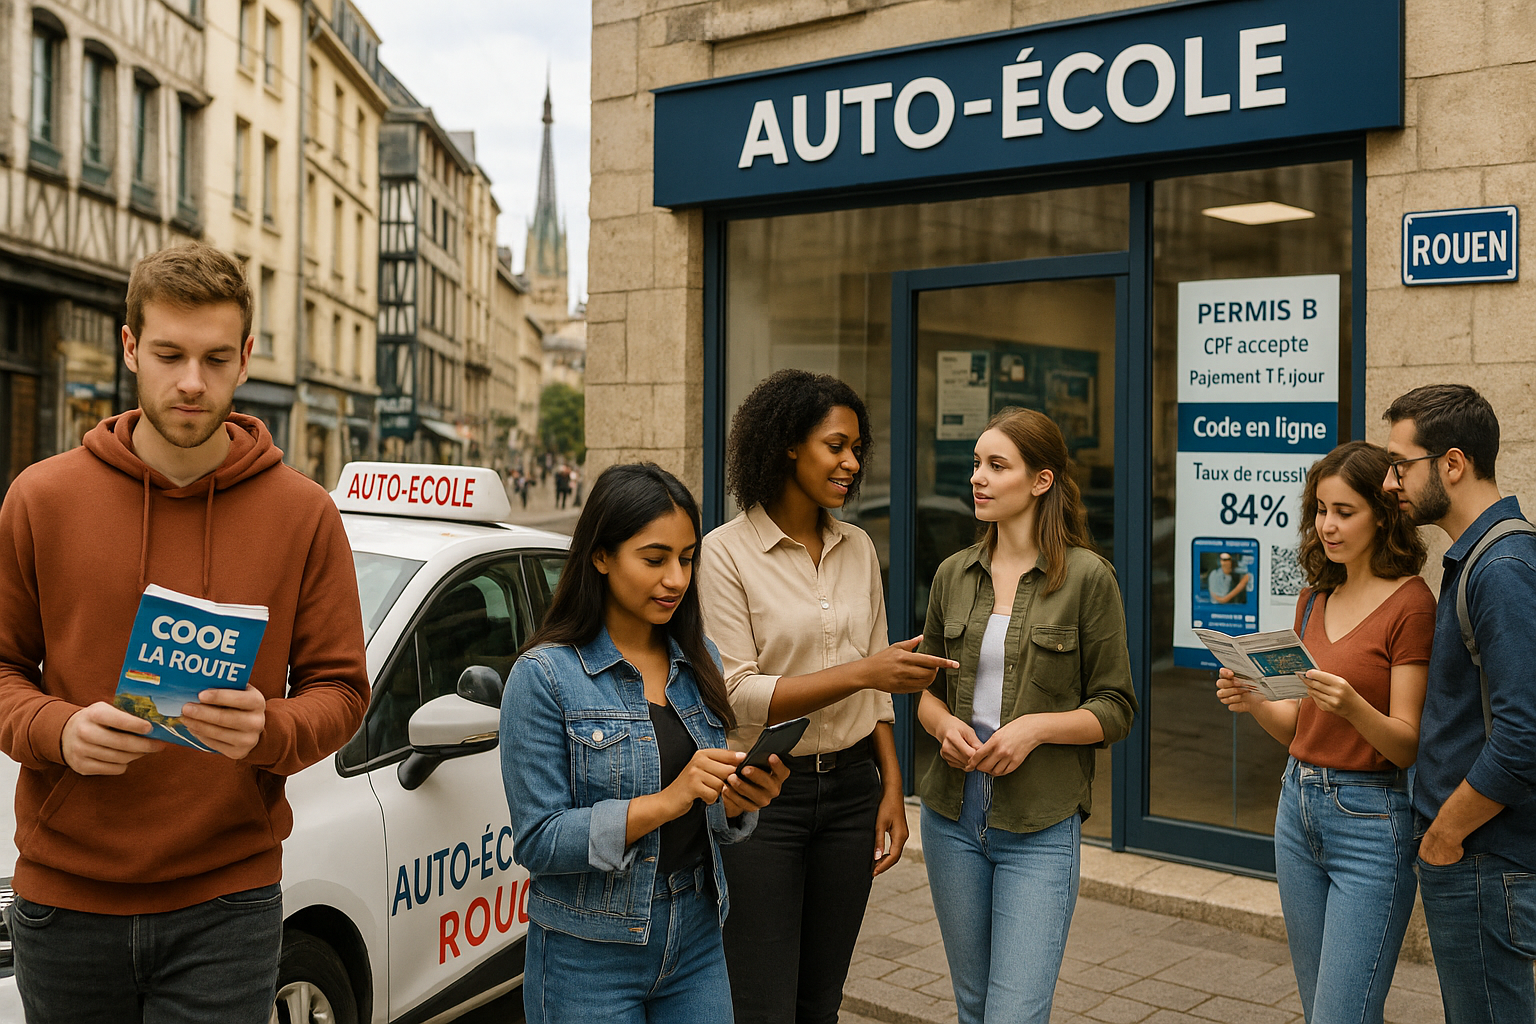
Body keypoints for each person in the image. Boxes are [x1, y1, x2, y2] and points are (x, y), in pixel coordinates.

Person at [0, 243, 370, 1023]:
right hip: (65, 899)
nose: (192, 382)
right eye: (168, 354)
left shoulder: (304, 514)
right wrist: (58, 730)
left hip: (226, 902)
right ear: (130, 346)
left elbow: (341, 692)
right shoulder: (40, 499)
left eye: (213, 357)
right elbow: (1, 669)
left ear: (246, 357)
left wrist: (271, 727)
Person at [697, 369, 956, 1024]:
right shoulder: (723, 554)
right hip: (760, 800)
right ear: (789, 444)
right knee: (762, 1003)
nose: (851, 462)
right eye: (835, 445)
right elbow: (738, 694)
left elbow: (876, 694)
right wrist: (866, 671)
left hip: (850, 796)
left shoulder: (857, 548)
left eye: (857, 449)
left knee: (821, 1002)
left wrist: (893, 785)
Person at [502, 463, 789, 1024]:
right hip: (589, 954)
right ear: (601, 556)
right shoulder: (545, 677)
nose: (676, 579)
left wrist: (735, 799)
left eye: (686, 559)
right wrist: (669, 800)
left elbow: (705, 812)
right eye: (654, 559)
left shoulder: (696, 654)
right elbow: (539, 839)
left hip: (697, 930)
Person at [915, 407, 1137, 1024]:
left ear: (1041, 481)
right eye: (976, 465)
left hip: (1039, 827)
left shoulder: (1088, 578)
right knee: (974, 1006)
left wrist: (1035, 730)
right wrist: (943, 727)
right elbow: (924, 692)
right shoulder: (951, 576)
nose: (978, 479)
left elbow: (1117, 708)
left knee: (1014, 1013)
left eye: (996, 466)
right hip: (952, 817)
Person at [1215, 440, 1433, 1024]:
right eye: (1320, 509)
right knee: (1322, 1011)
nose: (1327, 525)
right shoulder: (1313, 600)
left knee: (1344, 1013)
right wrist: (1253, 696)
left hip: (1371, 820)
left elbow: (1406, 743)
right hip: (1297, 808)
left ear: (1382, 515)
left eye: (1345, 511)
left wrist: (1356, 708)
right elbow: (1296, 727)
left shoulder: (1412, 603)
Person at [1381, 384, 1536, 1024]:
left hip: (1480, 858)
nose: (1390, 482)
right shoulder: (1479, 555)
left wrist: (1445, 834)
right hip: (1475, 857)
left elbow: (1524, 736)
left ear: (1451, 464)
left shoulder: (1500, 567)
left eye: (1399, 464)